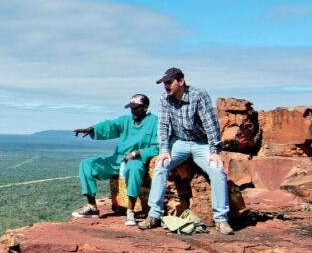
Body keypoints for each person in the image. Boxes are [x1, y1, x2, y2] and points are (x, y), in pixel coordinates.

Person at [138, 67, 234, 234]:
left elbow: (211, 125)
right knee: (161, 165)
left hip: (201, 143)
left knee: (217, 170)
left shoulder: (198, 95)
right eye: (164, 83)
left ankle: (221, 219)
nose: (166, 86)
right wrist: (164, 149)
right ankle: (154, 215)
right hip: (180, 142)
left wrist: (214, 150)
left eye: (169, 82)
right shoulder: (164, 99)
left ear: (181, 82)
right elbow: (163, 125)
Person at [72, 94, 159, 225]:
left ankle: (130, 212)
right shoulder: (126, 121)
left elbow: (157, 147)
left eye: (136, 108)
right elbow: (110, 126)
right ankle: (92, 207)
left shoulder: (154, 122)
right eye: (131, 108)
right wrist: (92, 129)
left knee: (134, 168)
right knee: (86, 164)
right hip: (116, 160)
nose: (133, 111)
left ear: (145, 107)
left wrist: (137, 153)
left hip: (136, 160)